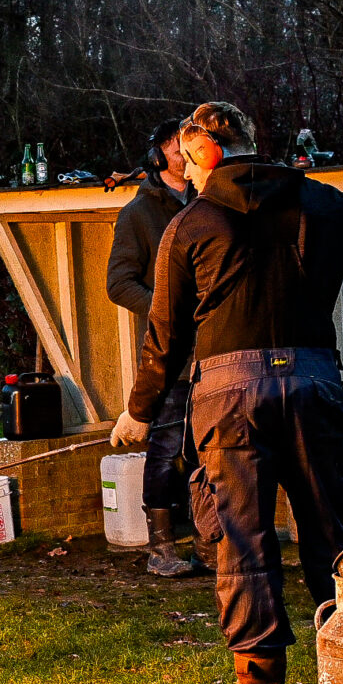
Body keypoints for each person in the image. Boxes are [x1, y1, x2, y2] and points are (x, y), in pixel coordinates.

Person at [111, 101, 343, 684]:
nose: (189, 174)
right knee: (334, 535)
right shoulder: (324, 202)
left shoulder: (191, 223)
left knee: (241, 541)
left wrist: (140, 411)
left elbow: (165, 333)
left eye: (188, 159)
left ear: (201, 150)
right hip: (314, 389)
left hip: (227, 403)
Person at [105, 118, 202, 577]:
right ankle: (162, 548)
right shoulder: (138, 214)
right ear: (159, 155)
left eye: (191, 146)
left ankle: (210, 542)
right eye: (177, 146)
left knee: (211, 452)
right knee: (165, 447)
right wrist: (166, 310)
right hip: (169, 354)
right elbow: (119, 283)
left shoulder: (211, 202)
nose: (186, 154)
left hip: (217, 349)